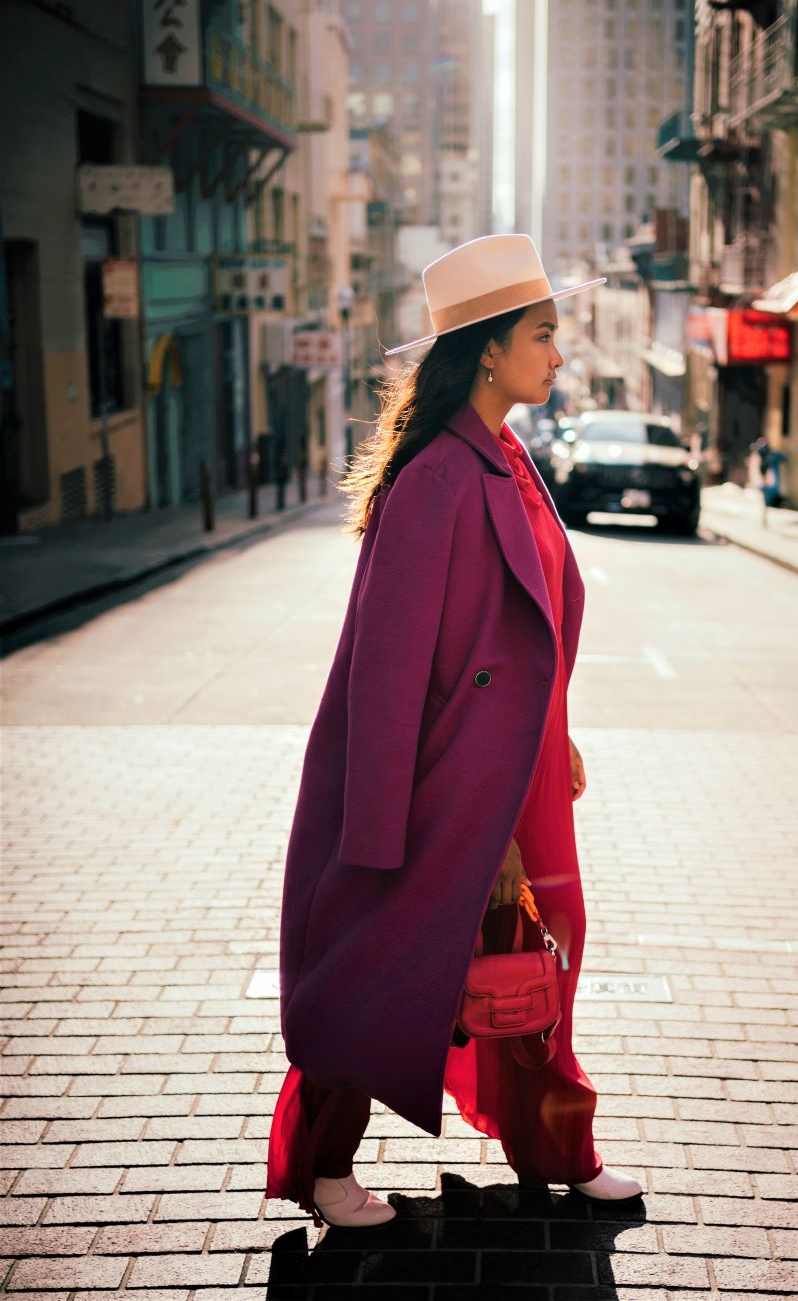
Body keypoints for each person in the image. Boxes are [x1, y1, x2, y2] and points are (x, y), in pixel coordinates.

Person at [264, 234, 645, 1229]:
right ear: (487, 348)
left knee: (543, 953)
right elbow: (388, 680)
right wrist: (452, 835)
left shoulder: (507, 455)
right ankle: (325, 1164)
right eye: (544, 334)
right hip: (445, 787)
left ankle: (563, 1146)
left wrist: (551, 731)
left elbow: (530, 625)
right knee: (387, 962)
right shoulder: (436, 479)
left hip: (515, 769)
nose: (561, 354)